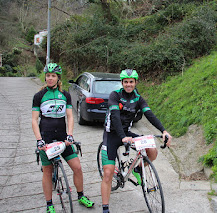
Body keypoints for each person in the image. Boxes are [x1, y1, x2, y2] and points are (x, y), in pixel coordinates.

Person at [100, 69, 172, 213]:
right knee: (108, 173)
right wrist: (122, 137)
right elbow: (115, 116)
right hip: (112, 135)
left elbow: (149, 114)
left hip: (127, 133)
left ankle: (138, 168)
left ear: (135, 82)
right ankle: (105, 208)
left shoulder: (138, 98)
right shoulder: (115, 96)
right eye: (126, 82)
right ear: (122, 83)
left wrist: (163, 131)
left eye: (131, 82)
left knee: (152, 151)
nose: (128, 84)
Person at [32, 63, 94, 213]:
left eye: (53, 76)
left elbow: (70, 116)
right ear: (45, 77)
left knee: (77, 167)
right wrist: (39, 139)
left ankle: (80, 196)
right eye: (48, 76)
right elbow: (34, 120)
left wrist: (70, 135)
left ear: (58, 78)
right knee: (47, 171)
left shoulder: (65, 95)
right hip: (46, 138)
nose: (50, 78)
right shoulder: (39, 96)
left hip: (62, 137)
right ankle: (49, 205)